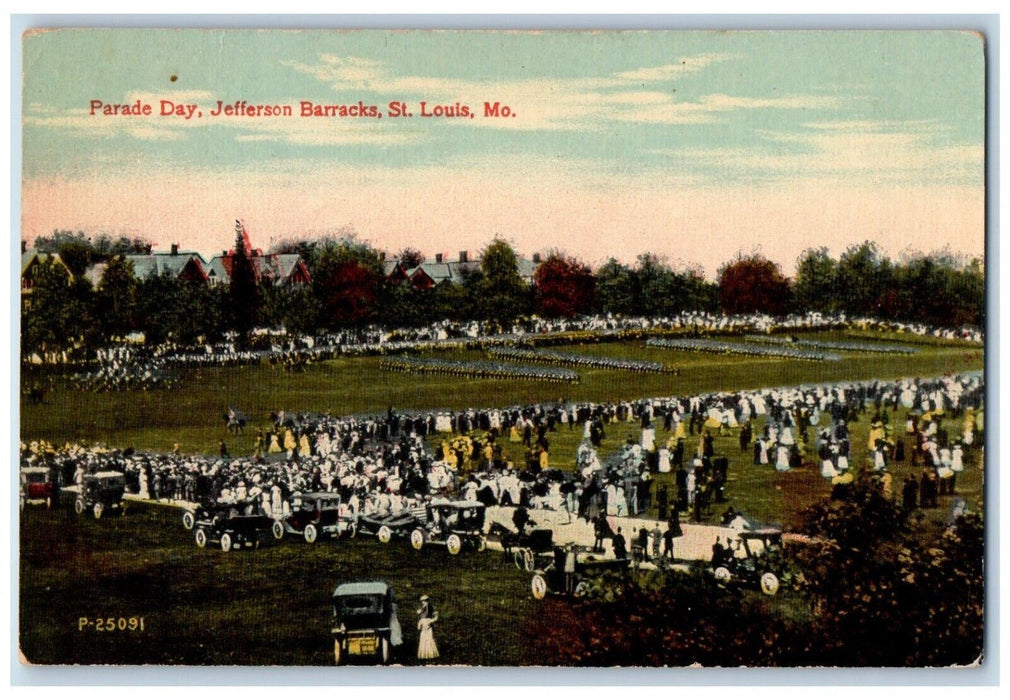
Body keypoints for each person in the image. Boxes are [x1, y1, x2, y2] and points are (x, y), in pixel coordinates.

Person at [416, 595, 439, 663]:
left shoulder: (431, 608)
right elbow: (420, 618)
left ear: (428, 601)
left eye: (425, 601)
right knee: (423, 639)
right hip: (423, 625)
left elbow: (436, 617)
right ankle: (424, 655)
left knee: (429, 639)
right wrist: (419, 624)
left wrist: (430, 621)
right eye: (422, 601)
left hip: (428, 626)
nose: (423, 602)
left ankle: (430, 655)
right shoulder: (421, 609)